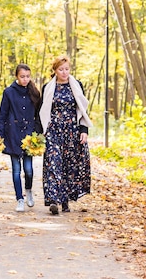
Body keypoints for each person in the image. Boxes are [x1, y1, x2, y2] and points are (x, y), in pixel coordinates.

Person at [39, 55, 92, 215]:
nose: (64, 72)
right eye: (61, 69)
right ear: (55, 70)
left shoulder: (77, 86)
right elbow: (42, 111)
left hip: (71, 130)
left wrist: (84, 130)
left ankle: (65, 200)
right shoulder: (48, 87)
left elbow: (82, 110)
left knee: (69, 166)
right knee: (53, 163)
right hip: (53, 130)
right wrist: (40, 133)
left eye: (67, 69)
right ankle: (54, 200)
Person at [0, 64, 42, 212]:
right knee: (16, 169)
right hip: (13, 134)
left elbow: (38, 116)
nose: (25, 79)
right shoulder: (8, 92)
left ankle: (28, 190)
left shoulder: (34, 92)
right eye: (22, 76)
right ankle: (19, 198)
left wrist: (37, 133)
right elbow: (2, 114)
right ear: (16, 76)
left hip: (29, 136)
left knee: (28, 169)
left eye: (28, 76)